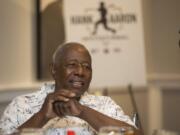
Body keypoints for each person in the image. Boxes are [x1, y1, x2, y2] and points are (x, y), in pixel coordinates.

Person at [0, 42, 140, 135]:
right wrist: (41, 117)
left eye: (87, 67)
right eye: (72, 64)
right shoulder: (22, 104)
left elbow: (135, 134)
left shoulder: (106, 105)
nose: (80, 72)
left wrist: (83, 112)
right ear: (53, 69)